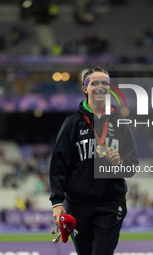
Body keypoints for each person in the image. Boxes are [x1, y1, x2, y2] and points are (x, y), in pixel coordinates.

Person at [49, 66, 138, 255]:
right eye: (94, 83)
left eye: (104, 83)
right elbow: (58, 164)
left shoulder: (121, 123)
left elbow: (132, 165)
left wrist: (120, 163)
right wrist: (57, 203)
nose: (100, 87)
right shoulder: (72, 123)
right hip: (78, 205)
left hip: (111, 203)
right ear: (85, 88)